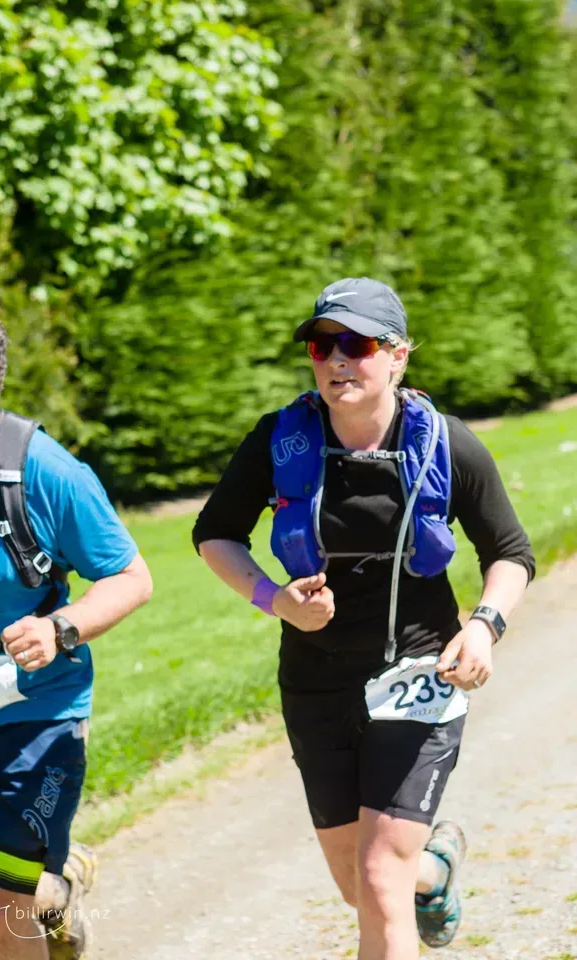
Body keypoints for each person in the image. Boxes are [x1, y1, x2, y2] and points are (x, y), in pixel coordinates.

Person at [193, 277, 534, 960]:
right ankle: (434, 871)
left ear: (398, 355)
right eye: (323, 347)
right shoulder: (279, 441)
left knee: (380, 881)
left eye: (357, 344)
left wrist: (483, 625)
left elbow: (510, 552)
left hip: (421, 673)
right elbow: (214, 534)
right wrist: (275, 600)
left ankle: (410, 874)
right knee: (361, 884)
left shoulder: (446, 443)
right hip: (317, 680)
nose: (338, 360)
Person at [0, 301, 153, 959]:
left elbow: (131, 577)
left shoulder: (47, 472)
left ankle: (31, 889)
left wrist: (61, 628)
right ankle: (54, 889)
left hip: (35, 719)